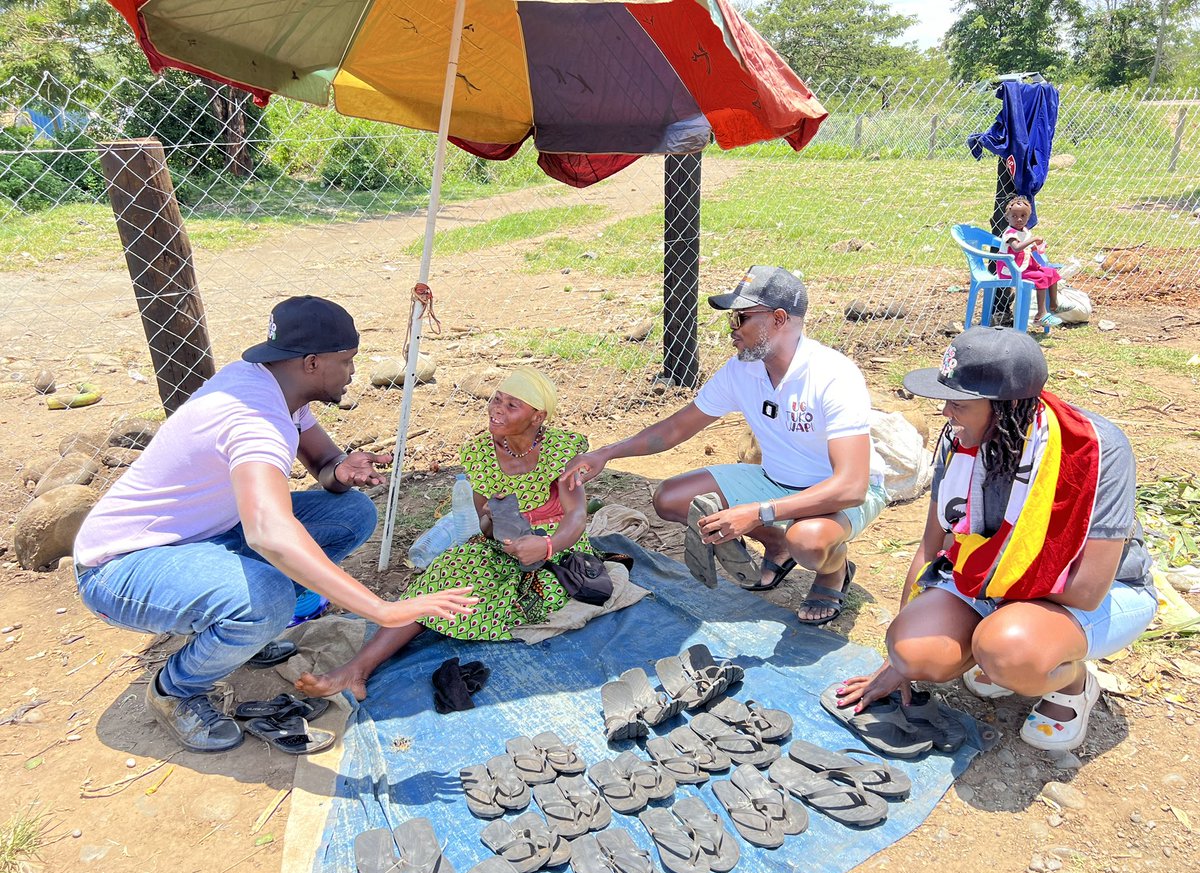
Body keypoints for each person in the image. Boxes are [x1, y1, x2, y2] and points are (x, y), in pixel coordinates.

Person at [73, 296, 478, 752]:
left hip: (197, 537)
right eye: (346, 361)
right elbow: (268, 533)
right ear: (311, 362)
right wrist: (381, 610)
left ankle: (237, 633)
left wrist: (341, 471)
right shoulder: (255, 420)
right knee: (268, 598)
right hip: (120, 567)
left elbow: (325, 462)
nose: (351, 372)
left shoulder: (276, 387)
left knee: (351, 514)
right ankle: (177, 689)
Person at [837, 327, 1156, 752]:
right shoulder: (961, 440)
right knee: (915, 650)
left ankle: (1071, 680)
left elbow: (1087, 589)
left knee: (1007, 649)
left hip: (1100, 592)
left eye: (960, 404)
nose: (947, 413)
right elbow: (932, 549)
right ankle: (1002, 644)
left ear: (1007, 410)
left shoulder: (1096, 450)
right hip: (990, 576)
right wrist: (898, 663)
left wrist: (992, 621)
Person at [563, 265, 886, 625]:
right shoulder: (742, 370)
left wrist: (758, 513)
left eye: (740, 317)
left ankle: (834, 571)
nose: (731, 329)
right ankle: (777, 545)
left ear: (778, 319)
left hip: (838, 495)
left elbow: (852, 487)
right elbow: (675, 429)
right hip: (775, 479)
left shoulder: (832, 375)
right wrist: (607, 453)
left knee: (809, 541)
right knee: (670, 499)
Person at [296, 367, 592, 700]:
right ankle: (357, 669)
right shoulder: (481, 453)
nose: (497, 409)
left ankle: (358, 669)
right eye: (497, 399)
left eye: (512, 405)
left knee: (481, 588)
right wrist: (497, 524)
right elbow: (484, 523)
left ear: (538, 416)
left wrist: (546, 545)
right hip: (504, 547)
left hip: (557, 548)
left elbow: (577, 516)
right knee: (446, 575)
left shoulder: (563, 450)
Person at [998, 194, 1062, 328]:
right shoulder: (1010, 234)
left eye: (1023, 216)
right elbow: (1016, 248)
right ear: (1007, 217)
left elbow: (1026, 248)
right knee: (1040, 278)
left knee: (1051, 273)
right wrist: (1032, 240)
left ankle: (1054, 305)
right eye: (1014, 216)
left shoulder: (1024, 230)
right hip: (1011, 269)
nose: (1019, 219)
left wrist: (1037, 247)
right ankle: (1041, 315)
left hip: (1023, 266)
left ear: (1028, 217)